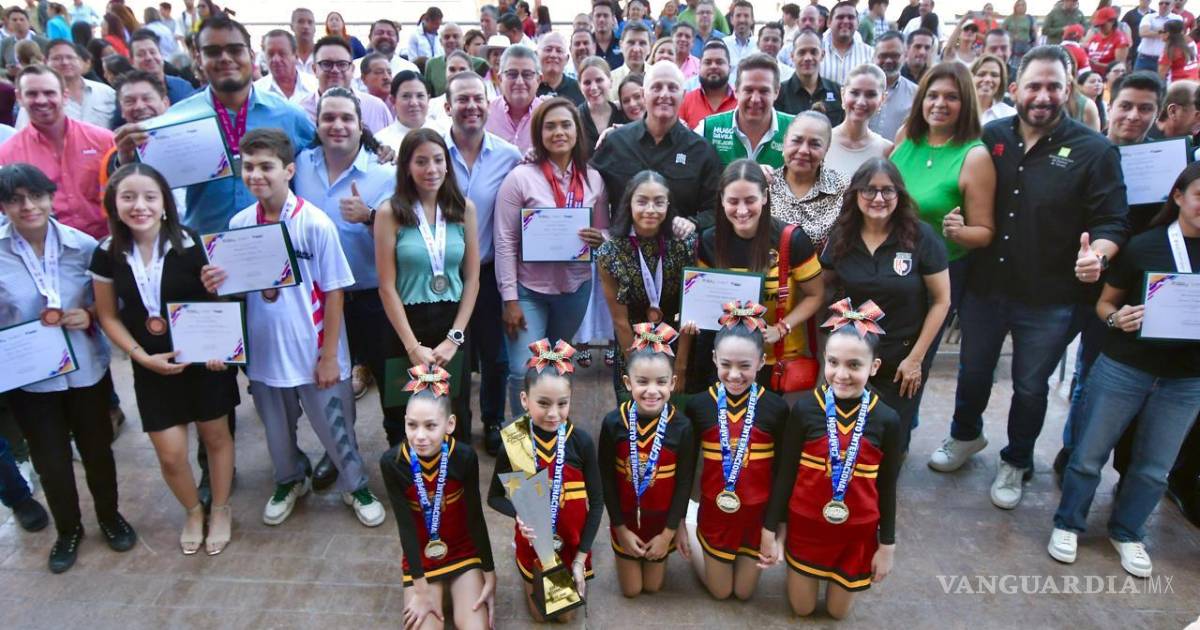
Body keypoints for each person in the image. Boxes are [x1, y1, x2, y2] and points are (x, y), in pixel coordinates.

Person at [928, 47, 1130, 511]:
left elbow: (1113, 221)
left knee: (1030, 386)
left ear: (1068, 89)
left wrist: (1098, 256)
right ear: (1016, 89)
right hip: (985, 287)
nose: (1043, 95)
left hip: (1049, 297)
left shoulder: (1095, 150)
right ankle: (965, 434)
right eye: (1034, 85)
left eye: (1053, 86)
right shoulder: (990, 137)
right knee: (973, 371)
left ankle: (1017, 460)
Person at [199, 129, 385, 528]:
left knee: (336, 427)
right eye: (249, 167)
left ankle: (355, 485)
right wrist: (216, 283)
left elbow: (334, 292)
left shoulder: (314, 223)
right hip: (266, 351)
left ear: (288, 170)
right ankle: (289, 480)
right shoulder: (239, 223)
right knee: (276, 431)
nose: (256, 175)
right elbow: (238, 292)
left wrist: (330, 356)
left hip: (315, 350)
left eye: (266, 166)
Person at [1048, 163, 1200, 579]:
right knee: (1089, 454)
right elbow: (1105, 304)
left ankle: (1128, 531)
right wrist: (1118, 318)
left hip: (1187, 379)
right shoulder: (1144, 246)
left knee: (1154, 466)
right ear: (1178, 197)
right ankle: (1068, 523)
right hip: (1125, 367)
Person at [90, 162, 237, 556]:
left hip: (203, 365)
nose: (139, 206)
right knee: (171, 455)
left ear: (165, 203)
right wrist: (140, 357)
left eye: (149, 197)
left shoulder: (192, 243)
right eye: (128, 197)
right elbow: (107, 315)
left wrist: (221, 348)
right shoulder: (106, 253)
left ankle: (220, 509)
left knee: (216, 438)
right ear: (114, 203)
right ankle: (193, 511)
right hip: (151, 365)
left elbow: (218, 301)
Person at [0, 162, 136, 574]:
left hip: (85, 369)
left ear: (51, 197)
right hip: (31, 378)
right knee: (51, 460)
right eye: (15, 200)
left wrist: (90, 313)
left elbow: (115, 300)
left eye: (36, 196)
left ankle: (110, 517)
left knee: (97, 450)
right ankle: (68, 530)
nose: (28, 206)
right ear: (3, 206)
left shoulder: (83, 246)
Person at [762, 300, 901, 618]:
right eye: (833, 362)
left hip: (856, 533)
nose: (841, 374)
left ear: (874, 367)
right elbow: (786, 473)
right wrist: (772, 529)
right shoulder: (806, 409)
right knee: (803, 609)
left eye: (854, 365)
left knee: (838, 613)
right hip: (806, 527)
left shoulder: (887, 419)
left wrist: (887, 545)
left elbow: (887, 486)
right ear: (824, 358)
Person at [820, 159, 951, 447]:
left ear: (899, 194)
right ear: (856, 193)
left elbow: (942, 301)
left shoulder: (921, 236)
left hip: (902, 356)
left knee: (891, 437)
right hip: (853, 355)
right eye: (869, 190)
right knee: (847, 435)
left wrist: (915, 359)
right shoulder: (842, 235)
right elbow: (821, 286)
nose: (878, 198)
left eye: (887, 190)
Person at [494, 98, 609, 419]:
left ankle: (551, 434)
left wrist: (601, 238)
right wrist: (510, 299)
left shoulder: (593, 179)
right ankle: (522, 441)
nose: (559, 132)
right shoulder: (520, 178)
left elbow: (605, 229)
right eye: (550, 126)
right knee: (523, 370)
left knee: (556, 365)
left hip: (575, 290)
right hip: (528, 291)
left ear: (577, 131)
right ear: (539, 133)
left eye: (566, 125)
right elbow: (504, 241)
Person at [152, 14, 315, 235]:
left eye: (235, 50)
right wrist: (125, 158)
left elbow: (322, 165)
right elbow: (151, 182)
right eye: (213, 52)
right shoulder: (178, 119)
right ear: (198, 59)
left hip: (277, 244)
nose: (225, 58)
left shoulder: (289, 115)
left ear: (251, 55)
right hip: (205, 245)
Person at [293, 87, 394, 422]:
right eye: (329, 117)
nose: (338, 125)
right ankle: (339, 446)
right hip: (318, 300)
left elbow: (406, 234)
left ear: (360, 125)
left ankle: (399, 441)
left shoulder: (384, 172)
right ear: (317, 124)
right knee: (330, 384)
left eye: (347, 118)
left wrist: (369, 216)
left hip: (373, 298)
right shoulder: (300, 166)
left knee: (392, 383)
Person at [374, 126, 479, 448]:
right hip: (406, 326)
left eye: (437, 160)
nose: (431, 169)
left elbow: (472, 279)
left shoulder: (464, 209)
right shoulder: (389, 212)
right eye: (421, 161)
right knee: (405, 415)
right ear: (407, 166)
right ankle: (409, 478)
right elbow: (386, 287)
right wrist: (412, 347)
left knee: (454, 413)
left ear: (447, 164)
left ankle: (453, 477)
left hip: (452, 325)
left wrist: (454, 339)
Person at [680, 302, 790, 600]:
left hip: (756, 519)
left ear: (761, 362)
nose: (734, 374)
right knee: (721, 592)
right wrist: (678, 524)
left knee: (743, 593)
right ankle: (692, 524)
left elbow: (782, 473)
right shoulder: (700, 406)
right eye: (726, 364)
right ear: (714, 358)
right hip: (715, 515)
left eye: (745, 366)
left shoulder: (776, 408)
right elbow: (686, 468)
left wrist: (776, 531)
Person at [487, 340, 603, 623]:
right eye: (543, 403)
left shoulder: (581, 442)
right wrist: (519, 514)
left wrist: (580, 559)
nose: (553, 414)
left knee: (565, 618)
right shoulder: (515, 441)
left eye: (562, 404)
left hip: (571, 546)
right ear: (524, 399)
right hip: (535, 545)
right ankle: (521, 558)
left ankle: (571, 568)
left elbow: (598, 503)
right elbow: (494, 497)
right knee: (540, 617)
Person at [690, 160, 826, 393]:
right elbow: (705, 301)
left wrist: (781, 328)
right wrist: (694, 318)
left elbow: (816, 295)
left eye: (750, 200)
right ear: (722, 199)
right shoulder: (710, 241)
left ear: (764, 196)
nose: (742, 210)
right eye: (733, 201)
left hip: (776, 360)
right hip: (726, 361)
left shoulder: (791, 240)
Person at [441, 71, 522, 456]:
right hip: (443, 274)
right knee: (452, 353)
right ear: (447, 107)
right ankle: (456, 421)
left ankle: (492, 419)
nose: (471, 106)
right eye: (462, 99)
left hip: (489, 273)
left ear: (488, 105)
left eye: (478, 98)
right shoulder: (432, 152)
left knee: (495, 356)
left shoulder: (509, 156)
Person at [380, 365, 496, 629]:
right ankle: (434, 590)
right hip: (421, 557)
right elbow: (405, 528)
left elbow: (475, 517)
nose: (420, 436)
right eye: (412, 425)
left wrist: (490, 575)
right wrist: (420, 589)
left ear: (449, 424)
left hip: (462, 552)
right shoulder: (392, 462)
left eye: (431, 426)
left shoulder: (464, 456)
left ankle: (457, 589)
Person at [598, 323, 698, 597]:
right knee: (632, 590)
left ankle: (669, 539)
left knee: (652, 588)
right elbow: (606, 479)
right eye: (642, 382)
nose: (652, 391)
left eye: (661, 382)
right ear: (628, 382)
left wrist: (668, 534)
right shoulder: (613, 423)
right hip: (626, 521)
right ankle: (624, 548)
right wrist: (620, 529)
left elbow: (684, 483)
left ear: (672, 383)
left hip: (662, 524)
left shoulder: (682, 427)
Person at [892, 60, 995, 309]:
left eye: (951, 97)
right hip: (889, 263)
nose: (940, 103)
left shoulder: (974, 157)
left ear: (966, 103)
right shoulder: (906, 136)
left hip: (935, 275)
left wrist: (960, 232)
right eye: (933, 95)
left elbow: (984, 233)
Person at [595, 170, 698, 394]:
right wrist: (636, 371)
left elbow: (690, 311)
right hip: (631, 346)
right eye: (642, 201)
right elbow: (620, 321)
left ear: (668, 205)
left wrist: (680, 367)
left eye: (659, 202)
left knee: (674, 412)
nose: (650, 210)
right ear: (629, 204)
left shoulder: (684, 244)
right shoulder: (609, 252)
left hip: (677, 344)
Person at [592, 61, 722, 231]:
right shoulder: (616, 142)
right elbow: (587, 188)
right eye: (657, 87)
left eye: (672, 88)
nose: (664, 94)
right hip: (622, 245)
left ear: (683, 95)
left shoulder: (701, 151)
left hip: (676, 245)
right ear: (643, 94)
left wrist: (693, 222)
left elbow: (715, 209)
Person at [0, 65, 112, 240]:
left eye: (49, 93)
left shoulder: (104, 140)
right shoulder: (7, 155)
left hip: (107, 243)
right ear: (19, 98)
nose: (41, 100)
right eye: (32, 94)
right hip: (50, 248)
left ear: (65, 95)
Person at [696, 53, 794, 169]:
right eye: (748, 90)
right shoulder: (707, 129)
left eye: (764, 91)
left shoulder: (794, 129)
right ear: (736, 90)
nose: (755, 99)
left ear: (776, 92)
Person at [770, 112, 851, 249]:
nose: (803, 150)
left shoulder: (843, 189)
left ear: (826, 149)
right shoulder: (765, 185)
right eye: (797, 141)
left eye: (815, 144)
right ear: (784, 141)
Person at [14, 39, 115, 130]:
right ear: (45, 62)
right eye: (57, 58)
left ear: (80, 61)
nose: (65, 62)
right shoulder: (37, 101)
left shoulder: (106, 93)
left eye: (70, 57)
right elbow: (23, 135)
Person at [300, 36, 393, 134]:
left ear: (352, 69)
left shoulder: (376, 108)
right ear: (314, 70)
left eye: (342, 64)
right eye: (327, 64)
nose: (335, 70)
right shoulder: (302, 112)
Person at [827, 63, 892, 175]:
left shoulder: (887, 150)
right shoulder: (822, 142)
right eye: (855, 93)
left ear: (882, 99)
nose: (861, 102)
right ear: (843, 95)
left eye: (870, 95)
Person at [776, 30, 846, 126]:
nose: (808, 58)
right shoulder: (779, 94)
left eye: (813, 52)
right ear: (792, 56)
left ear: (822, 55)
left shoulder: (837, 92)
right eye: (802, 52)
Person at [485, 44, 543, 154]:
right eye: (512, 74)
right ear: (500, 78)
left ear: (539, 80)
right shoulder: (486, 114)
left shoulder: (548, 115)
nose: (519, 82)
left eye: (527, 74)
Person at [375, 70, 448, 153]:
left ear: (428, 99)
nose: (414, 103)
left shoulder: (444, 134)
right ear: (393, 100)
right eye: (406, 96)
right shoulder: (381, 142)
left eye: (420, 96)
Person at [870, 31, 918, 141]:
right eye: (883, 55)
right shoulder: (859, 90)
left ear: (905, 56)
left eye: (895, 55)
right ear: (874, 57)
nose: (888, 60)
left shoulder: (916, 93)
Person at [127, 28, 194, 105]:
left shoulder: (182, 87)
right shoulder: (129, 96)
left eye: (152, 52)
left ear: (161, 55)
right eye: (141, 54)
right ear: (131, 61)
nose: (149, 57)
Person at [679, 40, 737, 128]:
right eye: (708, 62)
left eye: (719, 62)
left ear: (729, 68)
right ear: (699, 67)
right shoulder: (685, 102)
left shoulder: (741, 103)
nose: (713, 66)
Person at [253, 29, 318, 104]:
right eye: (270, 54)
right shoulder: (256, 92)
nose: (276, 59)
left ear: (296, 56)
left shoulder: (315, 86)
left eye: (282, 53)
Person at [822, 2, 875, 85]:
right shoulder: (815, 50)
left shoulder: (869, 54)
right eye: (840, 17)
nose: (846, 21)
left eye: (851, 17)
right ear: (829, 22)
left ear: (857, 23)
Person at [0, 7, 50, 80]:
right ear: (9, 23)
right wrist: (8, 72)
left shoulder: (43, 42)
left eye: (22, 19)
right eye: (14, 20)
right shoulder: (5, 43)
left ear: (28, 22)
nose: (18, 22)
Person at [536, 32, 584, 106]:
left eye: (559, 51)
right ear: (537, 55)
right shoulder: (529, 87)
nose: (553, 55)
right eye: (548, 50)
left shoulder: (579, 89)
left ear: (567, 59)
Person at [1134, 0, 1183, 72]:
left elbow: (1176, 36)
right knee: (1137, 79)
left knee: (1160, 79)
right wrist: (1165, 30)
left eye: (1167, 3)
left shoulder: (1177, 18)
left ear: (1172, 5)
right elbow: (1143, 33)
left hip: (1163, 60)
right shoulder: (1149, 16)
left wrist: (1152, 29)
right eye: (1161, 3)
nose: (1163, 5)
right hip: (1144, 58)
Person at [609, 22, 652, 102]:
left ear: (650, 48)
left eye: (642, 43)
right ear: (621, 45)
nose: (636, 49)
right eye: (631, 43)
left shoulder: (657, 77)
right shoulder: (609, 80)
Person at [1085, 6, 1131, 76]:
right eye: (1098, 25)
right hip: (1093, 74)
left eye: (1103, 25)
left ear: (1112, 22)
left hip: (1110, 76)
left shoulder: (1120, 39)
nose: (1100, 28)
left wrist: (1098, 65)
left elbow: (1119, 66)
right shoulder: (1095, 37)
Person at [973, 54, 1017, 124]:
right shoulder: (958, 109)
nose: (988, 79)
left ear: (1001, 81)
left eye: (994, 75)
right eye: (981, 74)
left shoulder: (1010, 115)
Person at [722, 0, 758, 70]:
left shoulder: (759, 46)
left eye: (746, 16)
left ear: (752, 20)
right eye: (738, 16)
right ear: (731, 19)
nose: (742, 20)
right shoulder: (723, 44)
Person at [592, 0, 624, 70]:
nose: (601, 19)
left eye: (605, 16)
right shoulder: (586, 45)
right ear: (592, 18)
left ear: (613, 19)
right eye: (598, 16)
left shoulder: (622, 45)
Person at [290, 7, 316, 74]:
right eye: (300, 22)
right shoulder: (284, 57)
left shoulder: (324, 56)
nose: (306, 26)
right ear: (291, 27)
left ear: (315, 28)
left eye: (310, 22)